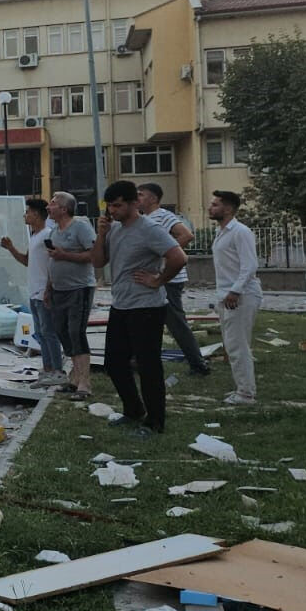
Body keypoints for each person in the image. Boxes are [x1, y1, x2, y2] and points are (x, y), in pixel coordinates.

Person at [91, 180, 188, 436]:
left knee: (148, 366)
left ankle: (155, 422)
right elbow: (98, 261)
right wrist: (101, 234)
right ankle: (133, 409)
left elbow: (178, 257)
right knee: (114, 362)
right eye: (110, 206)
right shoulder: (115, 229)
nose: (113, 210)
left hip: (146, 307)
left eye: (118, 205)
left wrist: (158, 280)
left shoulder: (149, 228)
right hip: (121, 305)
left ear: (134, 203)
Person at [136, 183, 212, 375]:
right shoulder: (144, 219)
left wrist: (167, 251)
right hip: (152, 278)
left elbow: (186, 235)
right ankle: (141, 361)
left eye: (141, 195)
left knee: (176, 323)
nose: (137, 198)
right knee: (145, 322)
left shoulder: (164, 216)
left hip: (169, 278)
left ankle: (197, 364)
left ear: (153, 198)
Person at [0, 198, 63, 388]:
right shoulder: (34, 236)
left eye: (28, 212)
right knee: (40, 333)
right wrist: (11, 248)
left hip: (44, 292)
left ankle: (57, 371)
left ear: (36, 214)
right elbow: (28, 261)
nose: (25, 215)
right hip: (34, 292)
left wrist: (49, 289)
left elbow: (55, 264)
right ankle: (48, 369)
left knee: (49, 332)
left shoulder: (48, 235)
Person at [209, 190, 262, 405]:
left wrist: (235, 291)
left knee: (237, 345)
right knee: (233, 345)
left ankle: (246, 393)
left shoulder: (240, 231)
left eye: (215, 205)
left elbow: (249, 265)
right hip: (227, 294)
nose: (211, 208)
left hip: (240, 295)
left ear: (228, 209)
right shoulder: (222, 232)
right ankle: (242, 388)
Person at [45, 191, 98, 400]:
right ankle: (74, 378)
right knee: (62, 331)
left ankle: (85, 383)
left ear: (63, 209)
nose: (48, 207)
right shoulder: (54, 231)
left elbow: (93, 255)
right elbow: (52, 261)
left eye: (52, 203)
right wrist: (48, 289)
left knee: (76, 332)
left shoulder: (81, 227)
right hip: (59, 289)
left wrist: (64, 255)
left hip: (79, 288)